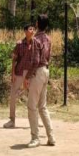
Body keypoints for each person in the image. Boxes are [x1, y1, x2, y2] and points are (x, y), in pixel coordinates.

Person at [25, 14, 55, 148]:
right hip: (45, 70)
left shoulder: (35, 39)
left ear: (37, 24)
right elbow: (49, 57)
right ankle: (51, 137)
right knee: (42, 106)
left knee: (32, 106)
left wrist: (27, 76)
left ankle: (35, 138)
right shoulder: (48, 38)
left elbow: (35, 61)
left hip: (38, 72)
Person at [3, 24, 36, 129]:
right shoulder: (19, 44)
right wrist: (12, 73)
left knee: (34, 96)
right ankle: (12, 120)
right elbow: (14, 59)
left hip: (31, 73)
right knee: (13, 95)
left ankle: (35, 120)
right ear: (25, 31)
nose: (32, 31)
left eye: (33, 29)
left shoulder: (36, 44)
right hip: (19, 72)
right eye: (30, 29)